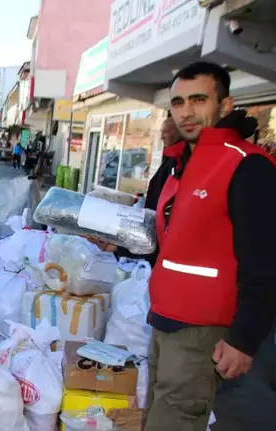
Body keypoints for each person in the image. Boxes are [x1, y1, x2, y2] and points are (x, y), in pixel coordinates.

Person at [139, 62, 276, 431]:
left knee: (173, 422)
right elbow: (176, 242)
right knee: (154, 414)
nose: (187, 111)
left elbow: (264, 262)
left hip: (202, 330)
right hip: (164, 318)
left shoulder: (247, 166)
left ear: (225, 105)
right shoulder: (183, 162)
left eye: (199, 100)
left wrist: (244, 340)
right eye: (179, 102)